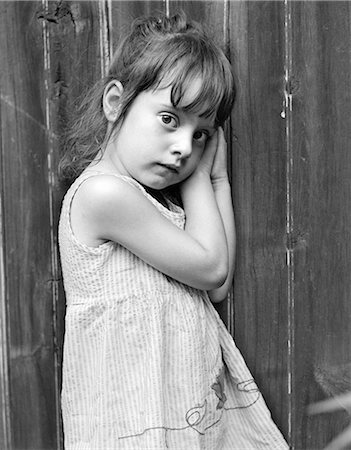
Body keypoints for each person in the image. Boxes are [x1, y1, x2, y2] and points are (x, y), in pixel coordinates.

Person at [58, 12, 288, 450]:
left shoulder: (154, 204)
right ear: (114, 103)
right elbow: (212, 266)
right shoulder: (103, 194)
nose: (184, 147)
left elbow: (215, 286)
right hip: (130, 424)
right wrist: (202, 178)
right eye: (169, 118)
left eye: (201, 133)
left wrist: (217, 180)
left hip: (176, 418)